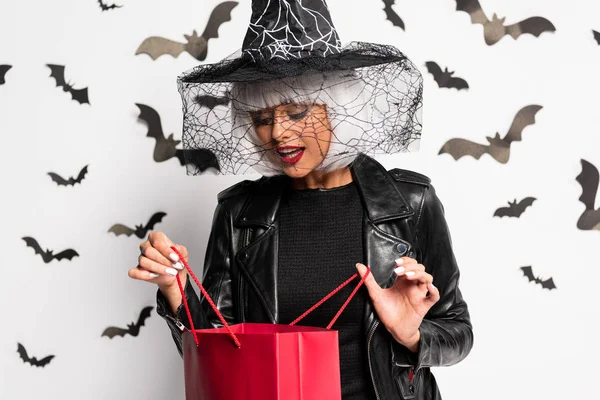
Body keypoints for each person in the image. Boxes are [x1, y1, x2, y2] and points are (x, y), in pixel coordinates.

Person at [128, 1, 473, 399]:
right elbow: (218, 353)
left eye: (296, 112)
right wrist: (177, 289)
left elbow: (458, 334)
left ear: (336, 109)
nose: (276, 133)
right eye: (261, 118)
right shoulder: (240, 214)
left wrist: (411, 333)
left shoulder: (410, 203)